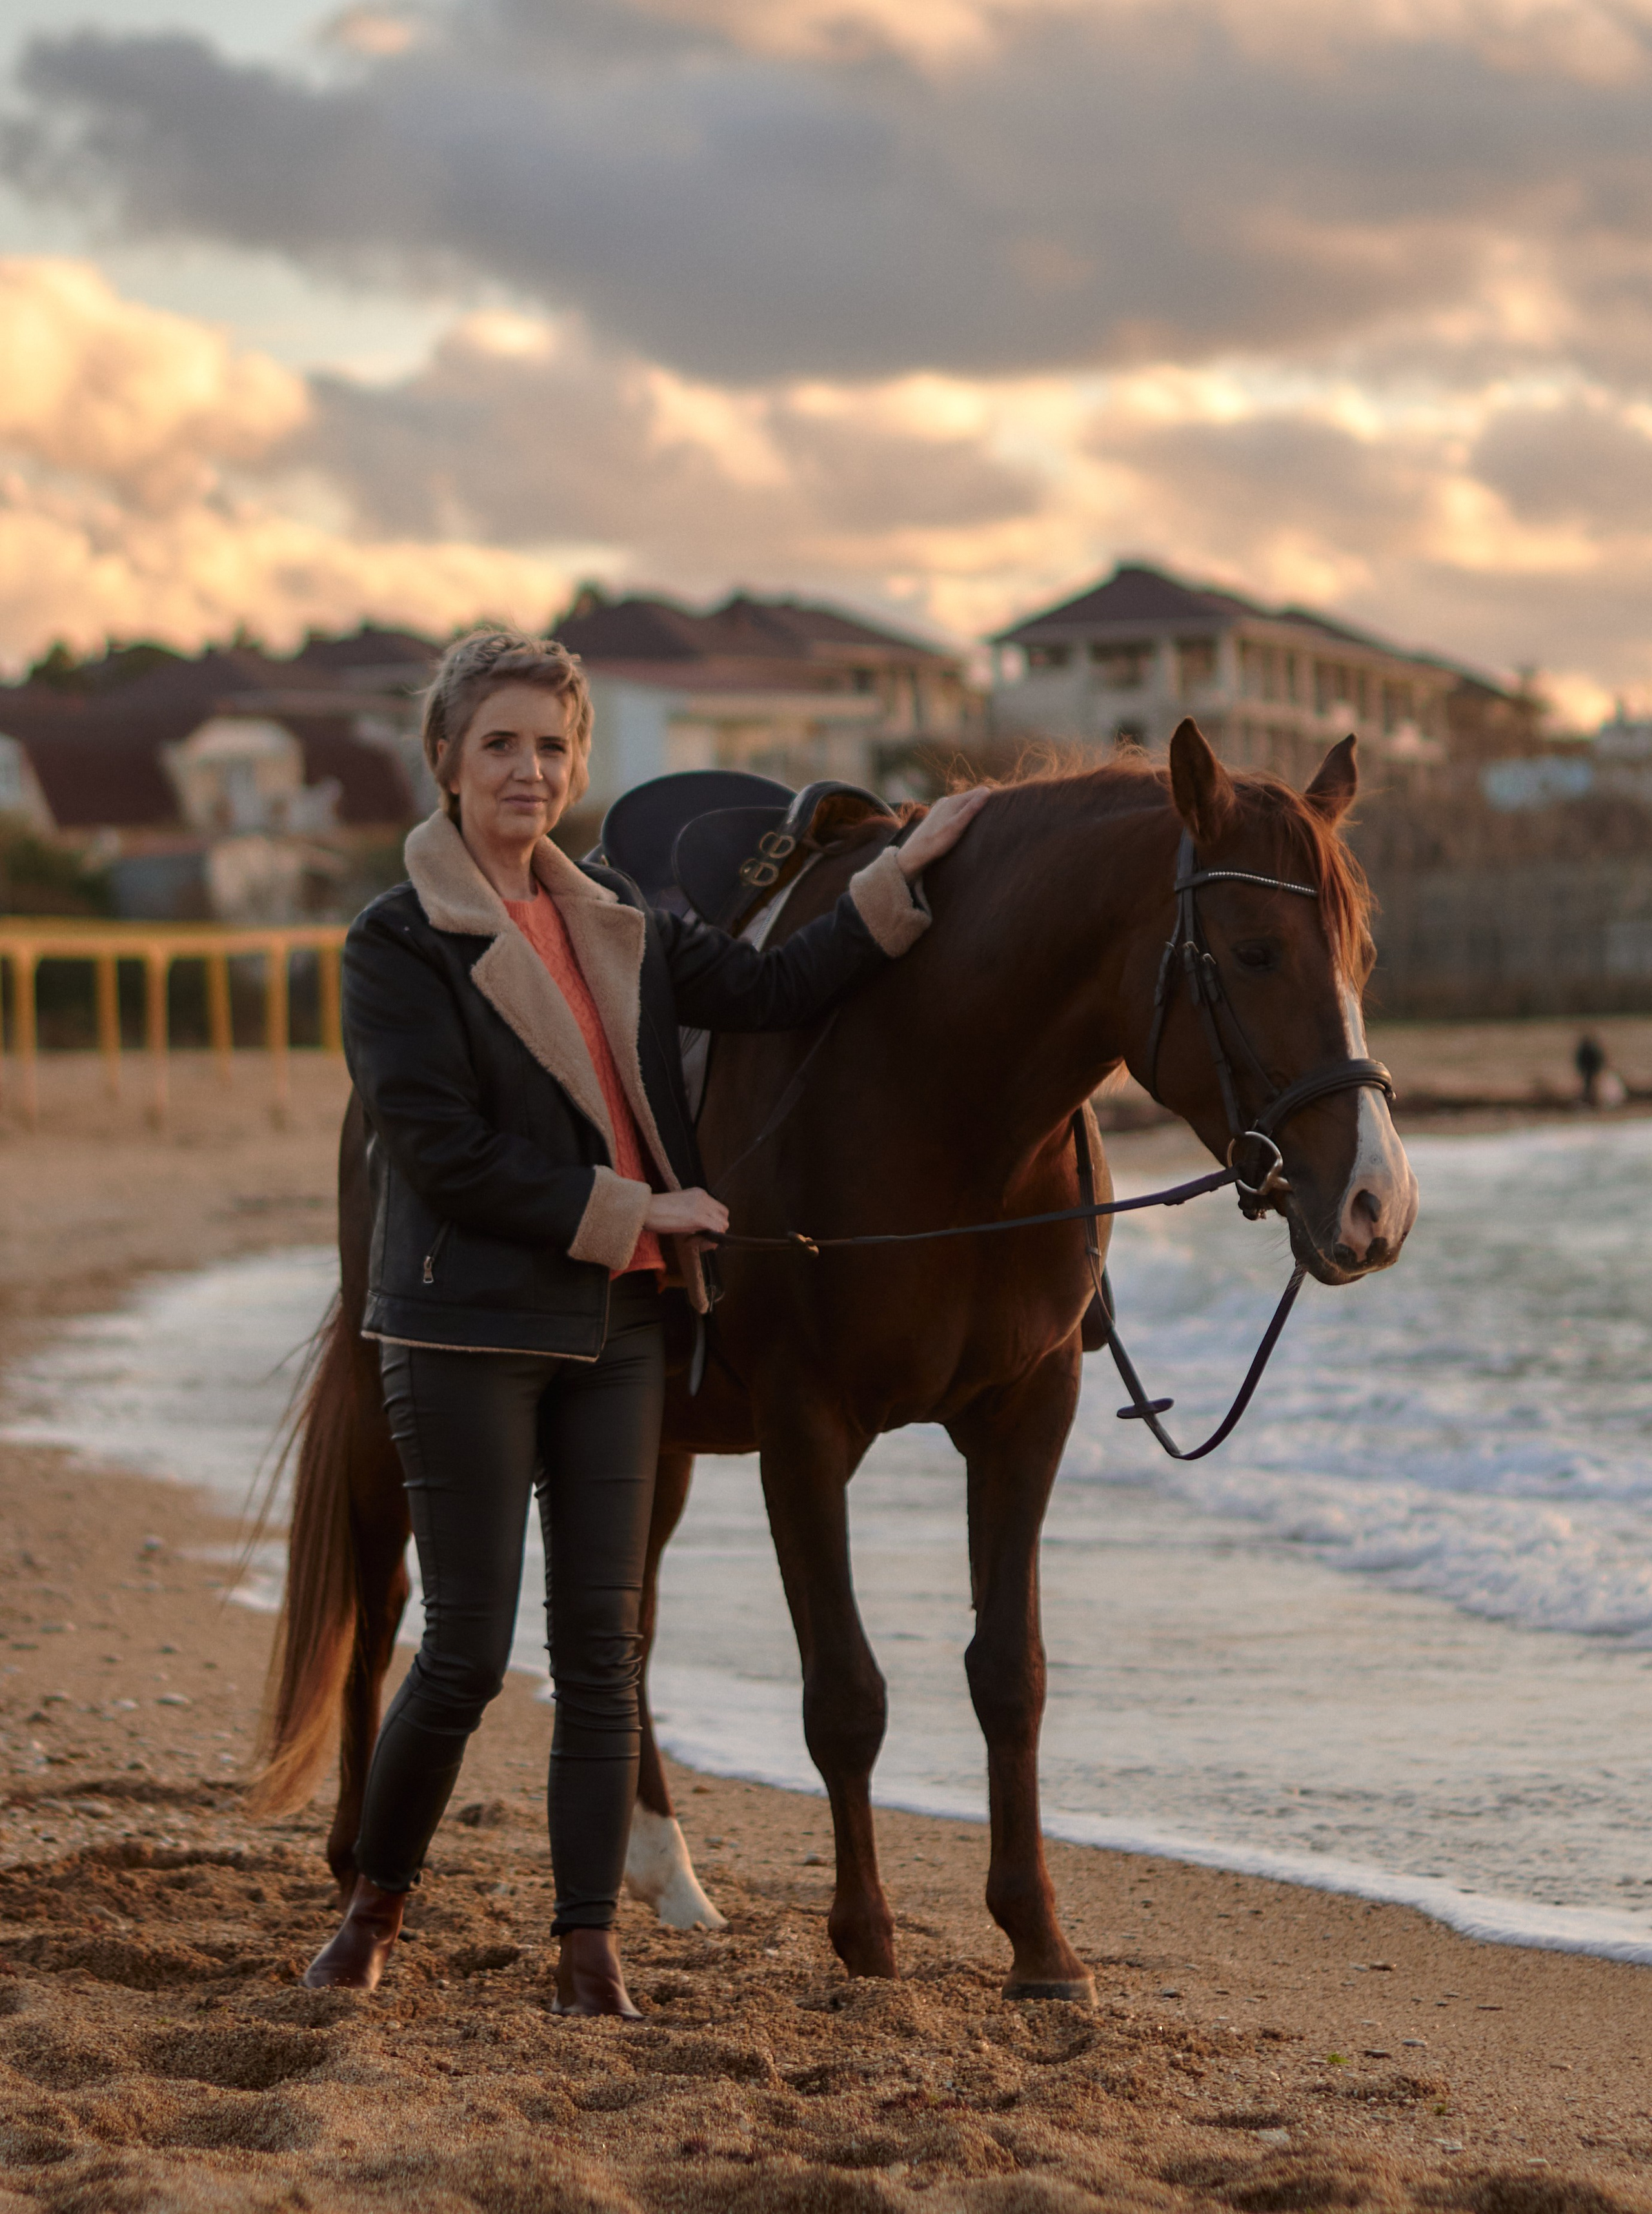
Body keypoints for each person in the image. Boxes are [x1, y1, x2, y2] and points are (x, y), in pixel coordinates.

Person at [301, 628, 989, 2012]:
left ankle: (586, 1948)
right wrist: (638, 1212)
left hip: (620, 1327)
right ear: (445, 757)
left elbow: (777, 990)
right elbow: (438, 1151)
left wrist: (897, 881)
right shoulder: (395, 942)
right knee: (467, 1647)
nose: (528, 768)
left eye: (552, 746)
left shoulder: (613, 912)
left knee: (601, 1647)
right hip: (468, 1324)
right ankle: (372, 1911)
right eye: (499, 741)